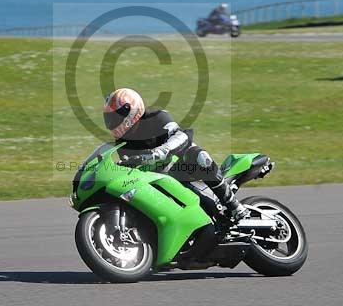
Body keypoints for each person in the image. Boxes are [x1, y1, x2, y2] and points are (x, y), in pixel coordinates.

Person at [103, 88, 250, 222]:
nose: (112, 122)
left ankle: (235, 206)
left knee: (198, 156)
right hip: (158, 177)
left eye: (115, 116)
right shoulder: (123, 142)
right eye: (109, 117)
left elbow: (181, 137)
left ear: (131, 109)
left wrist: (157, 153)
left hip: (183, 167)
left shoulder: (156, 116)